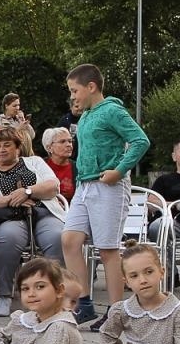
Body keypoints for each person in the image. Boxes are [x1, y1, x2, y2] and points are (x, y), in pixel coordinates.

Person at [58, 63, 150, 326]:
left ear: (91, 87)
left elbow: (140, 140)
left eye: (75, 90)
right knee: (69, 240)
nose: (73, 96)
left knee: (108, 249)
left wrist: (119, 170)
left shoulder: (112, 110)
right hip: (85, 185)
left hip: (107, 186)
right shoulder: (86, 114)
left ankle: (116, 312)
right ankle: (83, 302)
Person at [0, 124, 67, 314]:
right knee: (9, 237)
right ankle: (4, 295)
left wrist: (27, 192)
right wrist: (10, 199)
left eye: (6, 145)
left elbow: (53, 186)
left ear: (18, 147)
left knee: (57, 237)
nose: (1, 149)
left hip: (43, 212)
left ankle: (54, 294)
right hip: (9, 217)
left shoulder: (35, 162)